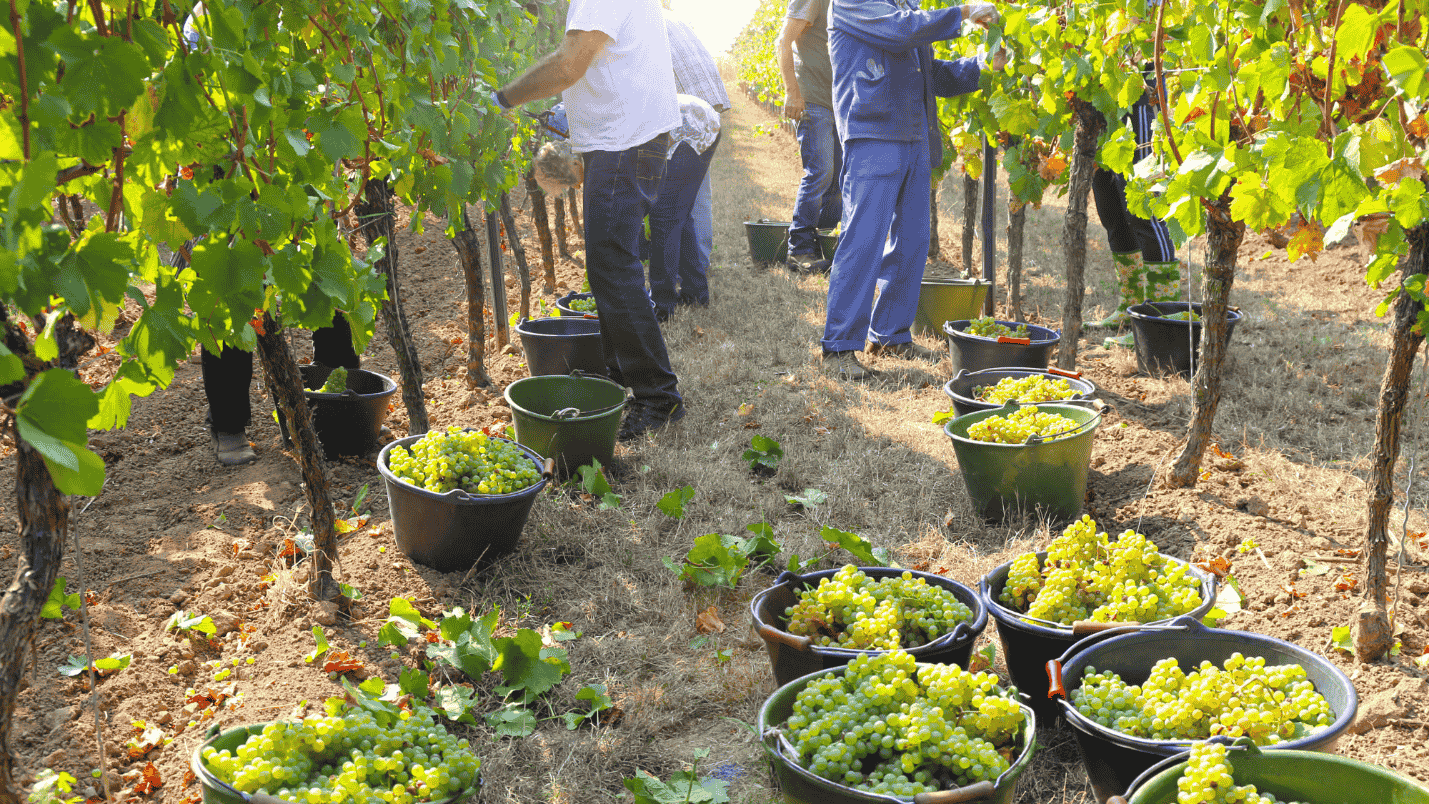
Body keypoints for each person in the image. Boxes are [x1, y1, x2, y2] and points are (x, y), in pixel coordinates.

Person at [493, 0, 685, 441]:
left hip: (623, 143)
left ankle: (658, 398)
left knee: (613, 270)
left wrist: (501, 98)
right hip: (626, 141)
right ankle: (619, 377)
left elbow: (567, 65)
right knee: (608, 268)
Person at [821, 0, 1002, 380]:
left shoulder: (903, 6)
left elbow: (929, 75)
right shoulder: (855, 3)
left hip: (913, 134)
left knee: (912, 240)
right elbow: (902, 30)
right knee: (863, 241)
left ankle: (890, 333)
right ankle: (839, 346)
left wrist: (982, 64)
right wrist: (964, 12)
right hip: (873, 132)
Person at [1090, 71, 1180, 349]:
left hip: (1138, 86)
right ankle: (1131, 307)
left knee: (1144, 208)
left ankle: (1162, 317)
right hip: (1101, 87)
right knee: (1111, 210)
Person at [664, 12, 730, 275]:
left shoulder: (638, 18)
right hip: (702, 103)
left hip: (683, 108)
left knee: (681, 194)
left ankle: (692, 265)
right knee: (697, 188)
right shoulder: (668, 16)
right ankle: (697, 263)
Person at [778, 0, 841, 274]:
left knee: (838, 179)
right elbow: (784, 41)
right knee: (820, 173)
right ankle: (799, 248)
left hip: (839, 103)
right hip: (812, 100)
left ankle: (827, 247)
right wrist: (792, 91)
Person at [647, 93, 721, 321]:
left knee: (664, 217)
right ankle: (695, 292)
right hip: (698, 120)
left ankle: (662, 304)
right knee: (678, 214)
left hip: (691, 129)